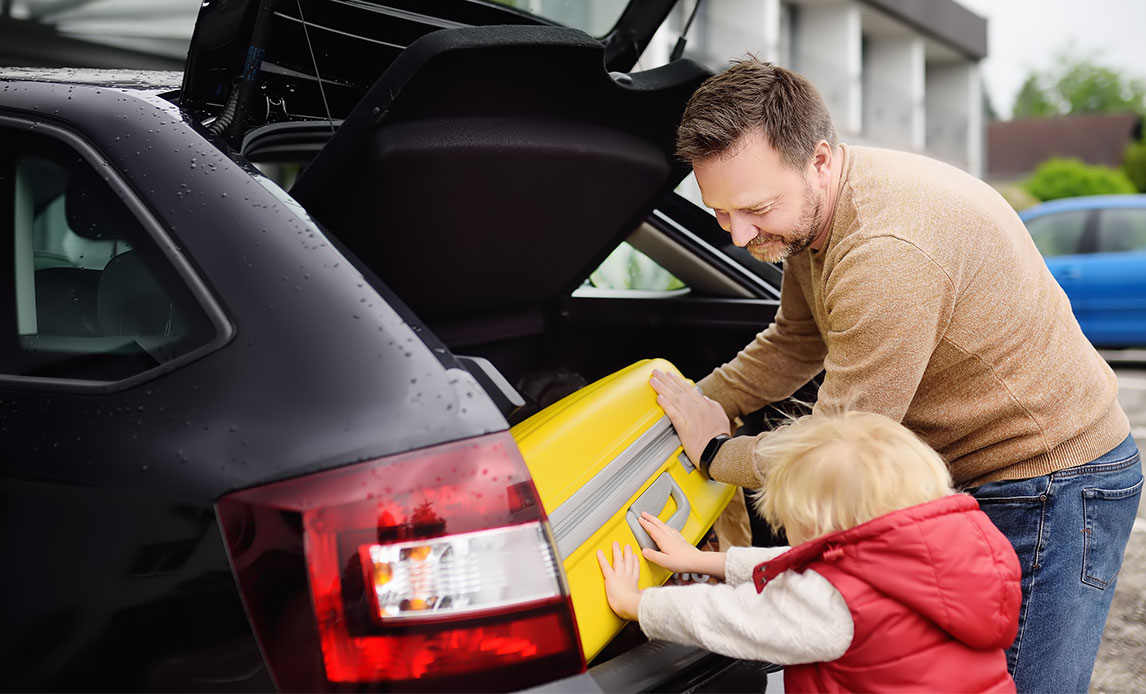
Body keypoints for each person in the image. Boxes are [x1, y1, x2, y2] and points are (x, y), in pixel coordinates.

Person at [649, 57, 1143, 693]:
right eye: (720, 213)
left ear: (819, 159)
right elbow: (796, 340)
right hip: (977, 476)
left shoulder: (886, 252)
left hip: (1051, 482)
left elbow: (840, 442)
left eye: (757, 208)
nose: (741, 235)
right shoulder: (816, 217)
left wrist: (716, 451)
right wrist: (700, 402)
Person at [598, 412, 1021, 693]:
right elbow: (812, 570)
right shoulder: (945, 549)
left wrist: (638, 603)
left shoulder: (838, 604)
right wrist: (704, 560)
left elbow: (732, 618)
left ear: (817, 523)